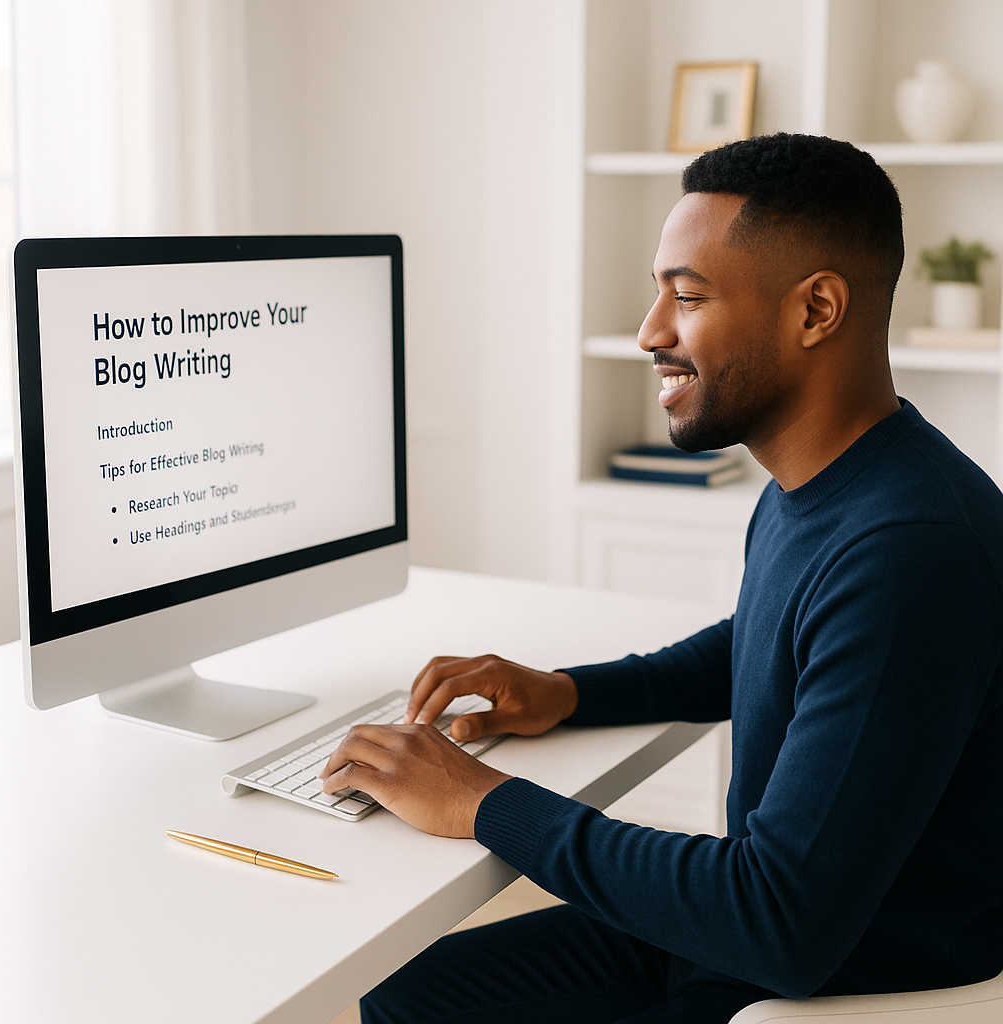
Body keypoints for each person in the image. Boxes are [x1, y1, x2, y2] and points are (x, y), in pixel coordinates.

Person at [320, 133, 1003, 1023]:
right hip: (745, 943)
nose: (652, 332)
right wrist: (566, 692)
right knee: (410, 996)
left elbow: (780, 920)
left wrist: (483, 802)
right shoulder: (831, 482)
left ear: (817, 309)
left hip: (823, 984)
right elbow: (766, 645)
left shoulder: (910, 548)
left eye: (687, 296)